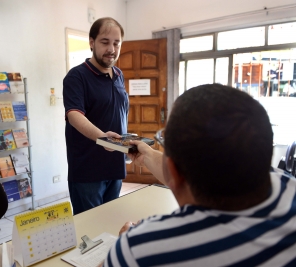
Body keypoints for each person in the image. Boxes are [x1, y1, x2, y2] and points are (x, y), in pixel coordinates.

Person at [103, 84, 296, 266]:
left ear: (175, 172)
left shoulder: (139, 250)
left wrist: (126, 246)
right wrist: (148, 156)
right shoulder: (286, 183)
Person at [63, 17, 128, 215]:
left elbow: (117, 113)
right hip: (88, 172)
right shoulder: (77, 76)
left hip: (115, 166)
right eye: (105, 42)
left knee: (109, 222)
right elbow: (74, 114)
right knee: (89, 231)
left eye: (116, 43)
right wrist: (103, 138)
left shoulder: (118, 74)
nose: (111, 49)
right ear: (91, 43)